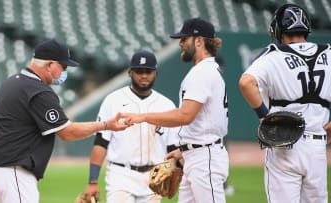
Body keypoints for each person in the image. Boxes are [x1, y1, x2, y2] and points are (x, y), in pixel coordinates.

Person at [0, 39, 128, 203]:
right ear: (50, 65)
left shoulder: (13, 81)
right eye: (63, 66)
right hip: (13, 168)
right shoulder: (38, 91)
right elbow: (67, 132)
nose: (64, 71)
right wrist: (106, 125)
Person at [121, 17, 229, 203]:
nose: (180, 43)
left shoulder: (202, 72)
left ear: (199, 41)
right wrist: (184, 150)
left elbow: (185, 115)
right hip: (196, 155)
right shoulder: (208, 70)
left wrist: (143, 116)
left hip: (205, 158)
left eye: (184, 39)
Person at [239, 4, 331, 203]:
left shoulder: (274, 54)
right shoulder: (328, 52)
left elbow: (246, 82)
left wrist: (265, 117)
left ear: (279, 30)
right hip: (317, 147)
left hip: (285, 143)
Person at [81, 50, 180, 202]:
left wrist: (175, 169)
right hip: (120, 175)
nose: (144, 76)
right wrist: (92, 182)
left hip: (153, 177)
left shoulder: (166, 105)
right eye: (139, 71)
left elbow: (173, 148)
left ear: (156, 73)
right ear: (130, 73)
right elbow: (100, 143)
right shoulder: (113, 100)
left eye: (148, 71)